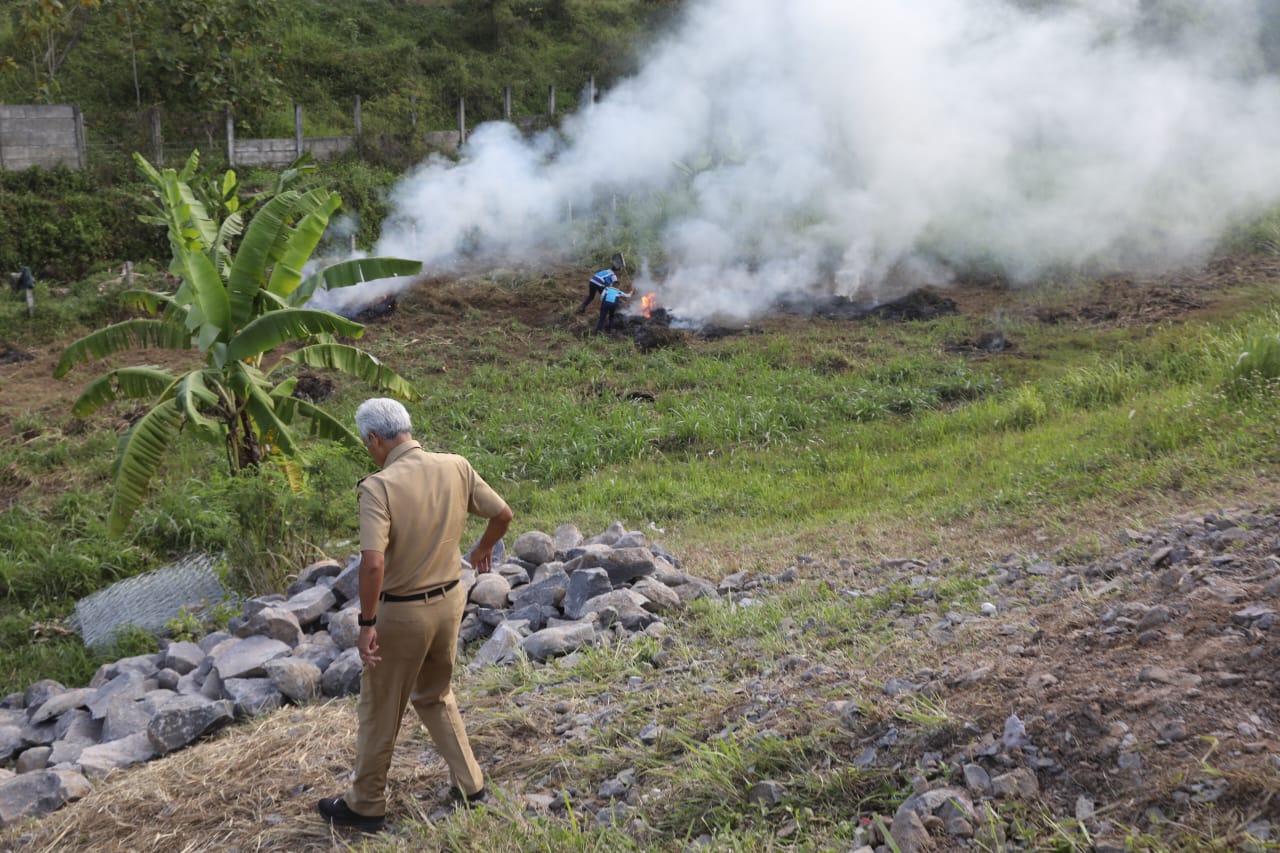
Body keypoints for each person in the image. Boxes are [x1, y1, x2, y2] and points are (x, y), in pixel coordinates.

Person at [318, 398, 513, 832]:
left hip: (402, 614)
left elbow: (373, 564)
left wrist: (367, 624)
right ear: (406, 428)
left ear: (374, 439)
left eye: (366, 443)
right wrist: (482, 550)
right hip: (449, 603)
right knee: (435, 694)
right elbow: (502, 514)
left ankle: (366, 804)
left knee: (380, 710)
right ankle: (471, 784)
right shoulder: (455, 466)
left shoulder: (379, 487)